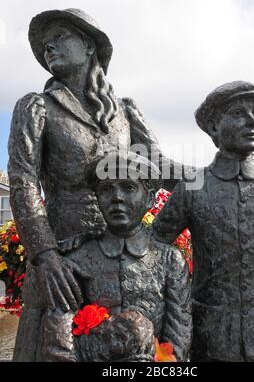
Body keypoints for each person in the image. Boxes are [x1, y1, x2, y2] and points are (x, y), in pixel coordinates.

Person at [9, 8, 182, 361]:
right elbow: (23, 180)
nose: (49, 47)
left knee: (135, 350)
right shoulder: (36, 107)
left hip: (121, 255)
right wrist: (45, 254)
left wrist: (221, 171)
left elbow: (161, 169)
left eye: (59, 37)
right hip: (64, 260)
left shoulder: (125, 111)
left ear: (90, 46)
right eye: (45, 44)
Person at [154, 81, 254, 362]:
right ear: (213, 128)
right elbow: (155, 248)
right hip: (213, 340)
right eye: (237, 113)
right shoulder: (192, 187)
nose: (251, 122)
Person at [40, 152, 191, 362]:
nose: (117, 197)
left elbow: (179, 332)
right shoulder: (76, 259)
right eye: (107, 189)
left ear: (149, 198)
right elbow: (60, 338)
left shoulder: (170, 260)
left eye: (128, 187)